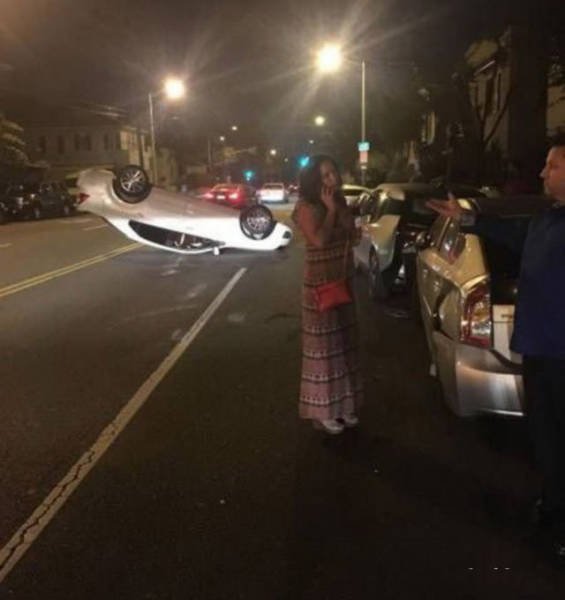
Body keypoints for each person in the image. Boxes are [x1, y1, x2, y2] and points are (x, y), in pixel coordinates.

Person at [427, 134, 565, 561]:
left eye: (552, 166)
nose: (542, 173)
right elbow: (512, 234)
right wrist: (468, 219)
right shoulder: (546, 219)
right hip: (538, 349)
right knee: (545, 437)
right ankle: (553, 506)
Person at [292, 155, 364, 434]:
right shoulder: (306, 207)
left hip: (342, 281)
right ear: (314, 181)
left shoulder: (341, 201)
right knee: (324, 352)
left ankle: (344, 406)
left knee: (344, 346)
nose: (332, 178)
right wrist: (331, 211)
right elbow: (319, 240)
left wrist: (342, 213)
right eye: (325, 175)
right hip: (319, 286)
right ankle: (323, 412)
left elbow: (352, 236)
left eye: (333, 172)